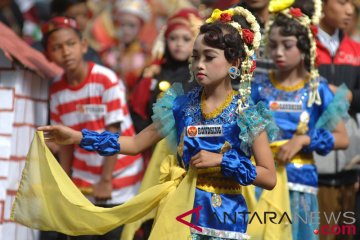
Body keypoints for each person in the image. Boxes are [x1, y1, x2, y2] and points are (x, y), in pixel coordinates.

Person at [13, 6, 278, 240]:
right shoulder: (181, 106)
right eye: (195, 56)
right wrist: (78, 137)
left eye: (209, 57)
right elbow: (134, 143)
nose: (199, 64)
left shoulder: (246, 113)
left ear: (234, 63)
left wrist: (222, 161)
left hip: (225, 220)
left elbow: (269, 176)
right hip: (180, 214)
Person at [249, 0, 350, 239]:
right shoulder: (258, 86)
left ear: (304, 46)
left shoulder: (317, 88)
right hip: (262, 185)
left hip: (300, 186)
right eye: (273, 45)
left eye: (287, 45)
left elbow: (342, 139)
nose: (279, 53)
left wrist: (303, 140)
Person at [41, 16, 144, 240]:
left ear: (84, 45)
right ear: (49, 55)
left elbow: (114, 133)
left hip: (118, 178)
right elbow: (64, 141)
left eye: (70, 44)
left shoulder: (105, 79)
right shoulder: (57, 89)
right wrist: (66, 181)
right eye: (57, 48)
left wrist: (106, 180)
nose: (66, 52)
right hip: (84, 181)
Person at [130, 8, 203, 133]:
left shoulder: (201, 74)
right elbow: (137, 115)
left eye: (186, 39)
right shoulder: (152, 73)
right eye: (173, 38)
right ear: (165, 40)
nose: (179, 44)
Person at [101, 0, 151, 96]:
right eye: (122, 25)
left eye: (132, 26)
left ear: (140, 27)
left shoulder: (147, 55)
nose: (126, 30)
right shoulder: (108, 53)